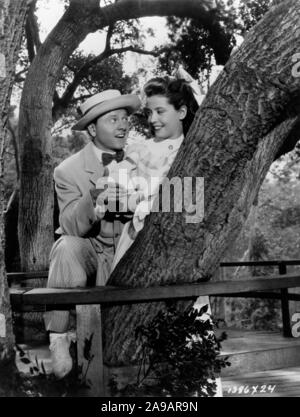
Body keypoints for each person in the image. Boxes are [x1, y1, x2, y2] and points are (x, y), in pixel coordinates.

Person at [111, 71, 223, 397]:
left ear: (182, 111)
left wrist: (156, 203)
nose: (153, 119)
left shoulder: (194, 153)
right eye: (149, 112)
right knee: (134, 334)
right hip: (135, 244)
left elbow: (194, 210)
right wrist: (137, 202)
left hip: (178, 251)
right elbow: (111, 196)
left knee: (186, 333)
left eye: (160, 111)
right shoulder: (138, 150)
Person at [43, 89, 141, 379]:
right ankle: (59, 341)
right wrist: (95, 199)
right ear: (92, 128)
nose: (123, 125)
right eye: (113, 119)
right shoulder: (67, 170)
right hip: (94, 257)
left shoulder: (143, 162)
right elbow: (70, 225)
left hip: (134, 256)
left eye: (125, 118)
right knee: (66, 246)